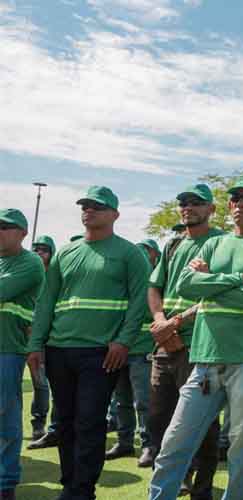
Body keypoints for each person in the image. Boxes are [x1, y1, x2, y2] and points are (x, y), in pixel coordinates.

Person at [149, 174, 243, 500]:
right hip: (205, 359)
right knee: (174, 442)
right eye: (235, 198)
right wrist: (236, 278)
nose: (239, 204)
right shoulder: (214, 243)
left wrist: (209, 282)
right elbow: (184, 285)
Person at [26, 186, 150, 500]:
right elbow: (47, 300)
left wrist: (123, 341)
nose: (88, 210)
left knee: (90, 422)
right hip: (59, 350)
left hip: (101, 354)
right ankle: (70, 485)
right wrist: (36, 344)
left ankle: (83, 490)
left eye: (97, 206)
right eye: (85, 206)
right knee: (64, 422)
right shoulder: (66, 253)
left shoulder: (128, 253)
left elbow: (140, 300)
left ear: (115, 215)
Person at [146, 184, 223, 499]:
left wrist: (177, 323)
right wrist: (161, 320)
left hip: (199, 346)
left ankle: (202, 490)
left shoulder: (222, 244)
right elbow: (155, 287)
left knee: (202, 425)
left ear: (211, 209)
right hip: (164, 345)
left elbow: (220, 293)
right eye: (183, 202)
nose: (187, 207)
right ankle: (173, 481)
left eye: (196, 202)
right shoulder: (173, 245)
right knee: (158, 420)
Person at [0, 209, 45, 500]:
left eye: (5, 227)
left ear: (22, 233)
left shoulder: (30, 263)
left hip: (7, 349)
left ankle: (5, 484)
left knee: (4, 416)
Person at [105, 239, 161, 465]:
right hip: (118, 349)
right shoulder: (119, 283)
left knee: (144, 401)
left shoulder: (154, 283)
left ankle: (149, 445)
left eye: (145, 251)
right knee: (121, 400)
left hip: (142, 349)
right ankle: (125, 442)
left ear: (153, 255)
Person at [27, 235, 57, 446]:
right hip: (18, 337)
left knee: (41, 383)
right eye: (36, 249)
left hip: (44, 340)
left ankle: (40, 424)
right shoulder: (26, 272)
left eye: (44, 250)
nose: (39, 253)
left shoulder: (55, 278)